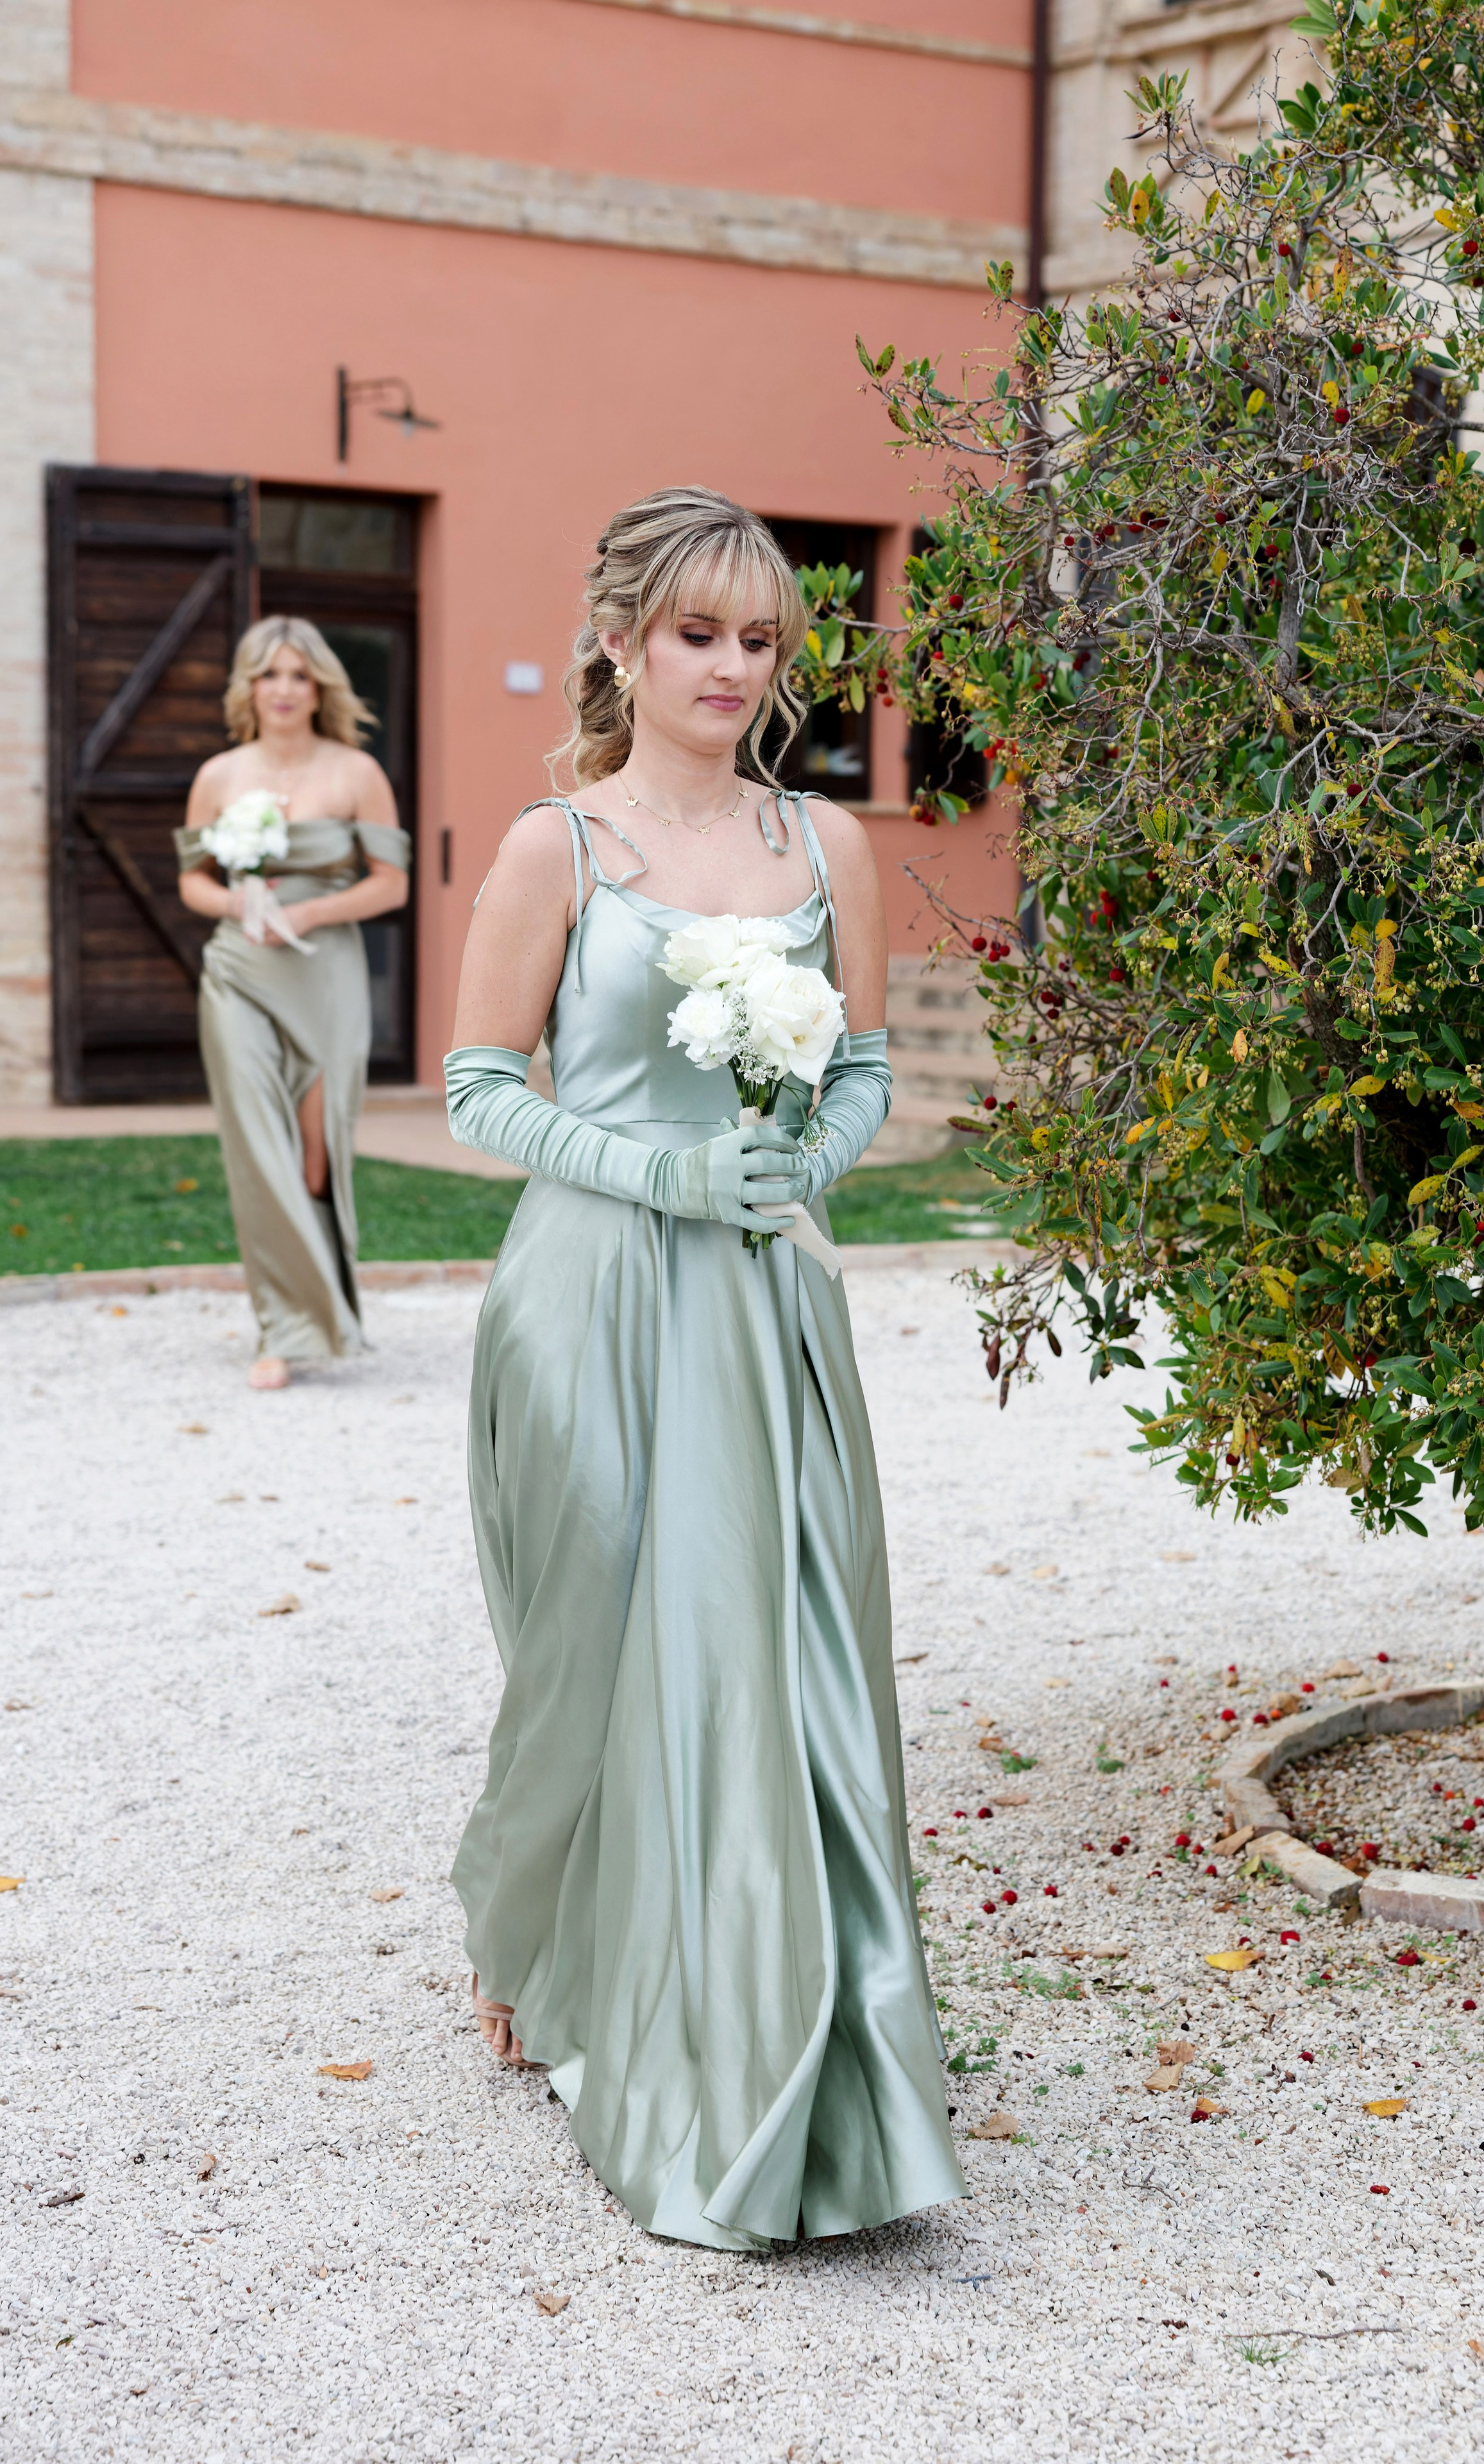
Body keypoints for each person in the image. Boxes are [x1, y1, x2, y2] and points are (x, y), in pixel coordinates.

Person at [444, 486, 965, 2248]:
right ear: (620, 639)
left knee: (770, 1656)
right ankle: (528, 1924)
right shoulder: (557, 850)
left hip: (763, 1302)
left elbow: (870, 1073)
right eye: (698, 633)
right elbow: (479, 1087)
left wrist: (799, 1162)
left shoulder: (828, 852)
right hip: (588, 1293)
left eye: (759, 639)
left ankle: (783, 2029)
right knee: (588, 1651)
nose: (733, 666)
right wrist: (661, 1169)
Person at [177, 617, 411, 1388]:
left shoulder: (356, 772)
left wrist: (307, 912)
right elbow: (193, 879)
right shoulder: (219, 774)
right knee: (257, 1146)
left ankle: (326, 1305)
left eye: (298, 675)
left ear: (320, 688)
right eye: (268, 674)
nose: (283, 689)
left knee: (313, 1157)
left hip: (324, 973)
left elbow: (392, 881)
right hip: (239, 972)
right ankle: (280, 1328)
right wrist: (239, 904)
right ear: (249, 687)